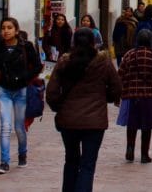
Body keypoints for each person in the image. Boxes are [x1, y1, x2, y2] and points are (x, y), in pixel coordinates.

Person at [46, 28, 122, 192]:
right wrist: (104, 98)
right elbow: (117, 88)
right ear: (94, 43)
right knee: (88, 164)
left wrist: (59, 107)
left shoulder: (64, 62)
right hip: (94, 123)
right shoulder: (103, 62)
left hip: (68, 121)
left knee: (71, 160)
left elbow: (51, 92)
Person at [0, 17, 42, 174]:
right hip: (4, 90)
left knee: (19, 127)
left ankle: (22, 154)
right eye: (3, 28)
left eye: (9, 28)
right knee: (5, 126)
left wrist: (25, 78)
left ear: (16, 30)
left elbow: (38, 66)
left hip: (21, 90)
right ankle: (4, 162)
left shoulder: (26, 47)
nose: (6, 31)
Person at [117, 28, 152, 163]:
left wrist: (119, 93)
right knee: (147, 126)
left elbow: (120, 75)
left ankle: (130, 147)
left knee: (132, 124)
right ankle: (144, 154)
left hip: (132, 95)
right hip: (151, 96)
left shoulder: (129, 55)